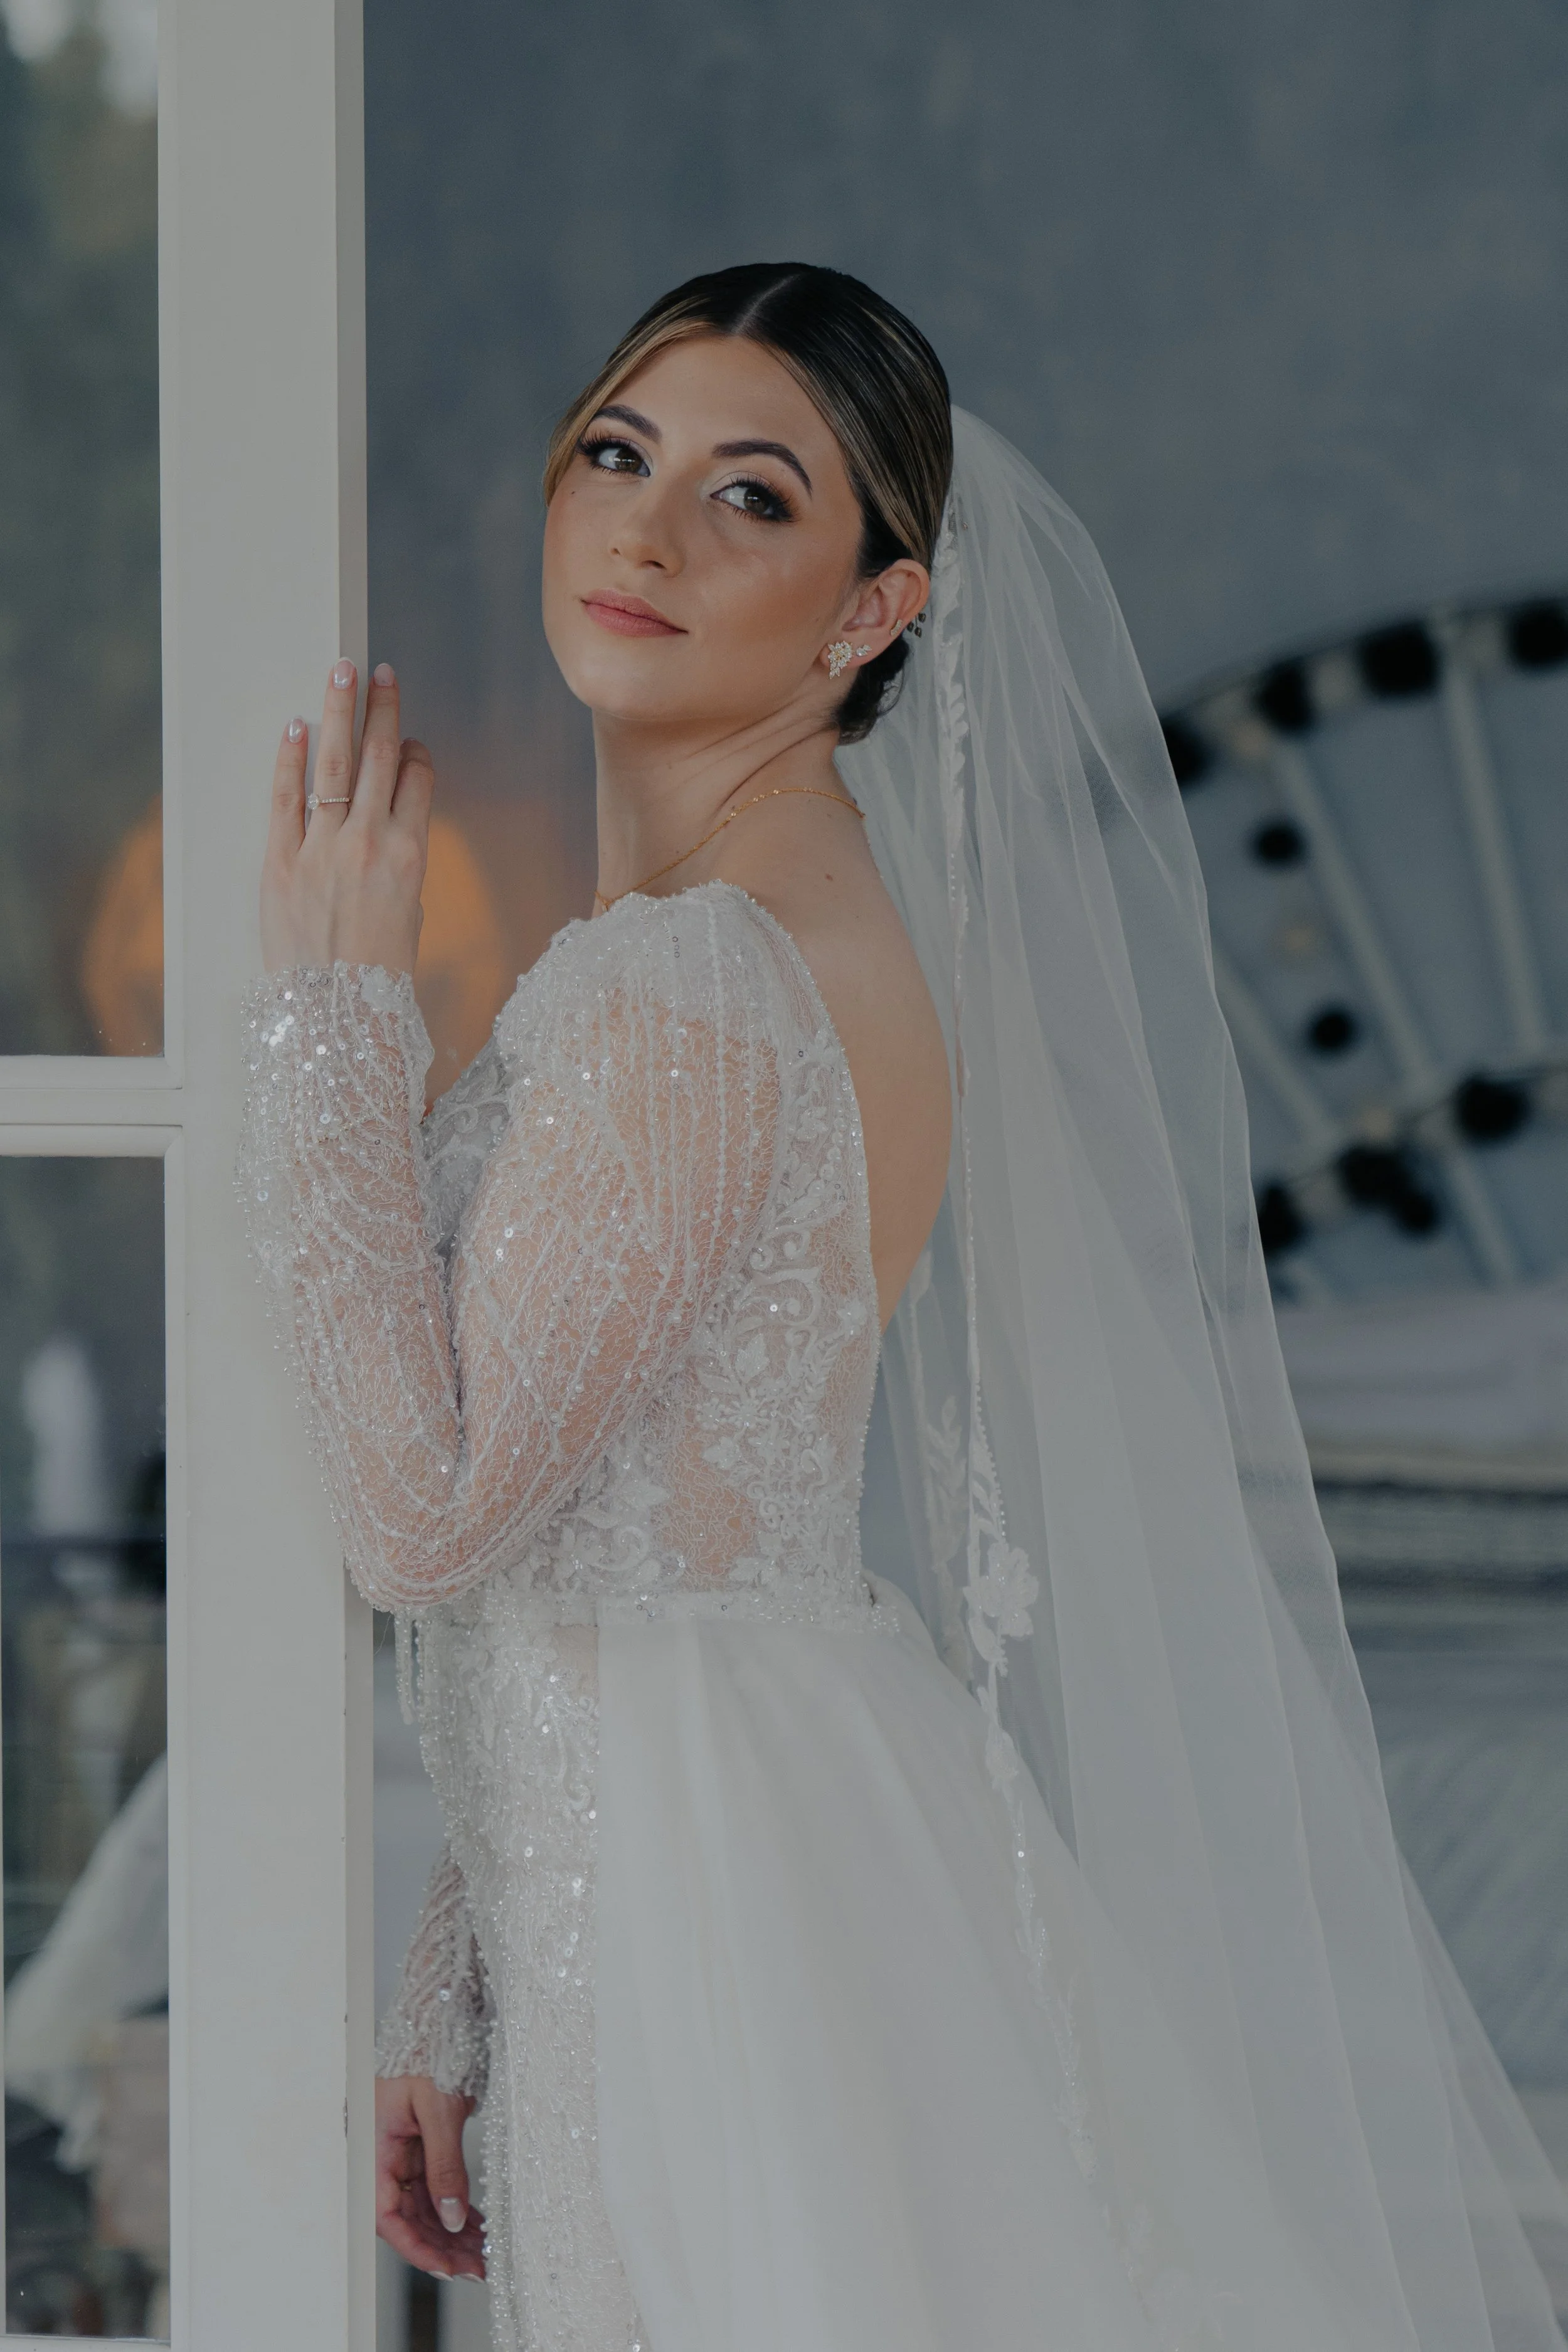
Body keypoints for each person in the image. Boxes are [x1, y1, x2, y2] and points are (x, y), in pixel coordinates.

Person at [239, 265, 1565, 2352]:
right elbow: (604, 1530)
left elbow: (433, 1519)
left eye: (751, 498)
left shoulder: (700, 983)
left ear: (875, 610)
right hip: (681, 1839)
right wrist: (454, 1963)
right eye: (615, 454)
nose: (647, 533)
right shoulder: (729, 931)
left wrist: (325, 1012)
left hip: (714, 1910)